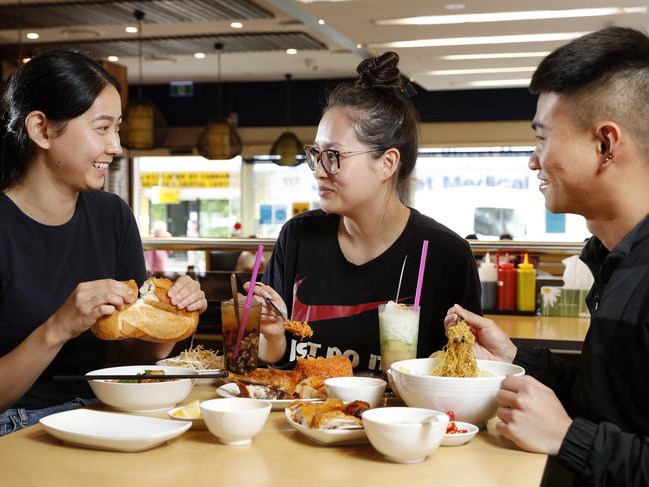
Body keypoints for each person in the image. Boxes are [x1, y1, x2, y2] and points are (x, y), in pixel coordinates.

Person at [445, 27, 649, 486]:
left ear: (606, 145)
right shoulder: (614, 259)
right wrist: (514, 356)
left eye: (543, 138)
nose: (533, 161)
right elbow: (614, 401)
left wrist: (567, 437)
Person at [0, 50, 207, 435]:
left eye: (118, 128)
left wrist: (171, 320)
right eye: (102, 128)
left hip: (103, 413)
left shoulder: (112, 215)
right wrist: (58, 328)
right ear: (41, 129)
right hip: (16, 427)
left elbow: (132, 354)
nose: (116, 147)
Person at [249, 52, 481, 371]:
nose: (318, 170)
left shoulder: (446, 255)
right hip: (303, 417)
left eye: (333, 155)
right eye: (316, 154)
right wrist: (272, 337)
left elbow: (462, 374)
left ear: (387, 163)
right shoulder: (299, 236)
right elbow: (268, 359)